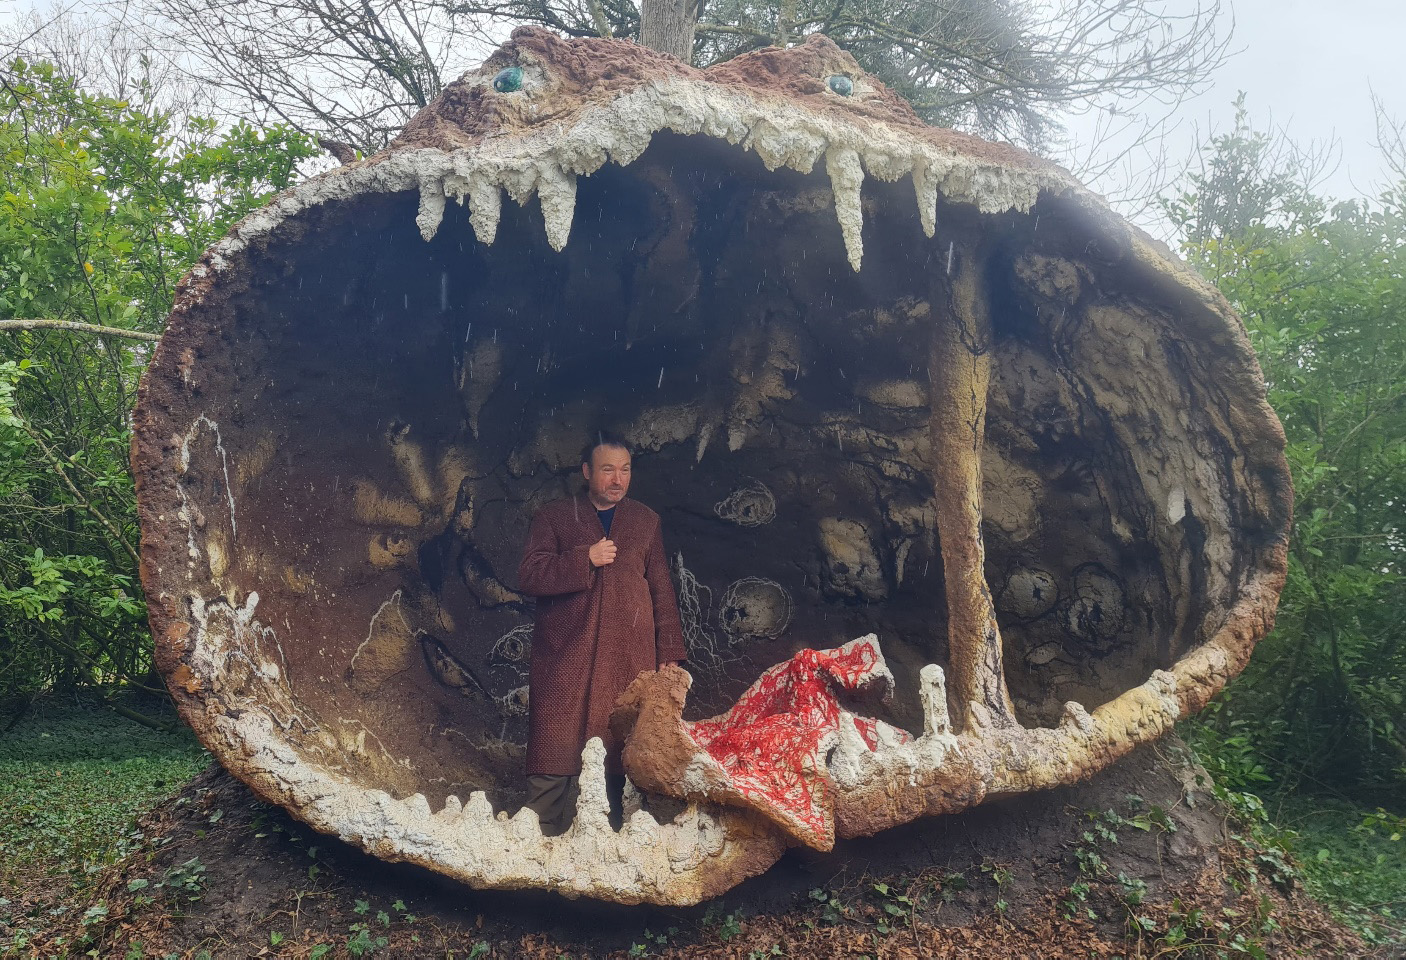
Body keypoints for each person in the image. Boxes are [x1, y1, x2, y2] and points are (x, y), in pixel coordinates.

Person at [516, 432, 687, 834]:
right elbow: (529, 574)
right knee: (554, 750)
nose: (617, 479)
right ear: (587, 472)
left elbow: (661, 588)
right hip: (565, 654)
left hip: (628, 657)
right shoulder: (555, 516)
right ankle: (541, 851)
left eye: (625, 470)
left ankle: (607, 854)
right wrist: (584, 559)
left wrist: (670, 654)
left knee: (618, 755)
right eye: (608, 469)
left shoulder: (646, 521)